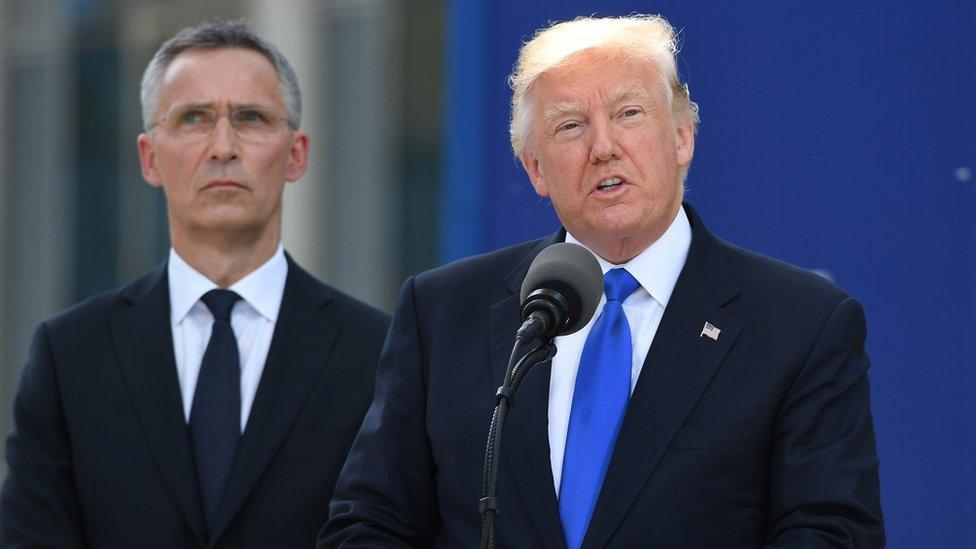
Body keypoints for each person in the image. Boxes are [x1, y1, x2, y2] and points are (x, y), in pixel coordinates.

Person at [322, 14, 883, 548]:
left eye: (630, 113)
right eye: (570, 126)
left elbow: (831, 532)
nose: (603, 147)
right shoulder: (442, 312)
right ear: (535, 169)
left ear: (683, 137)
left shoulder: (800, 324)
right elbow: (369, 525)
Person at [0, 20, 389, 548]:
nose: (223, 146)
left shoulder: (376, 354)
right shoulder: (70, 356)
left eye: (250, 118)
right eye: (193, 119)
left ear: (296, 153)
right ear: (149, 157)